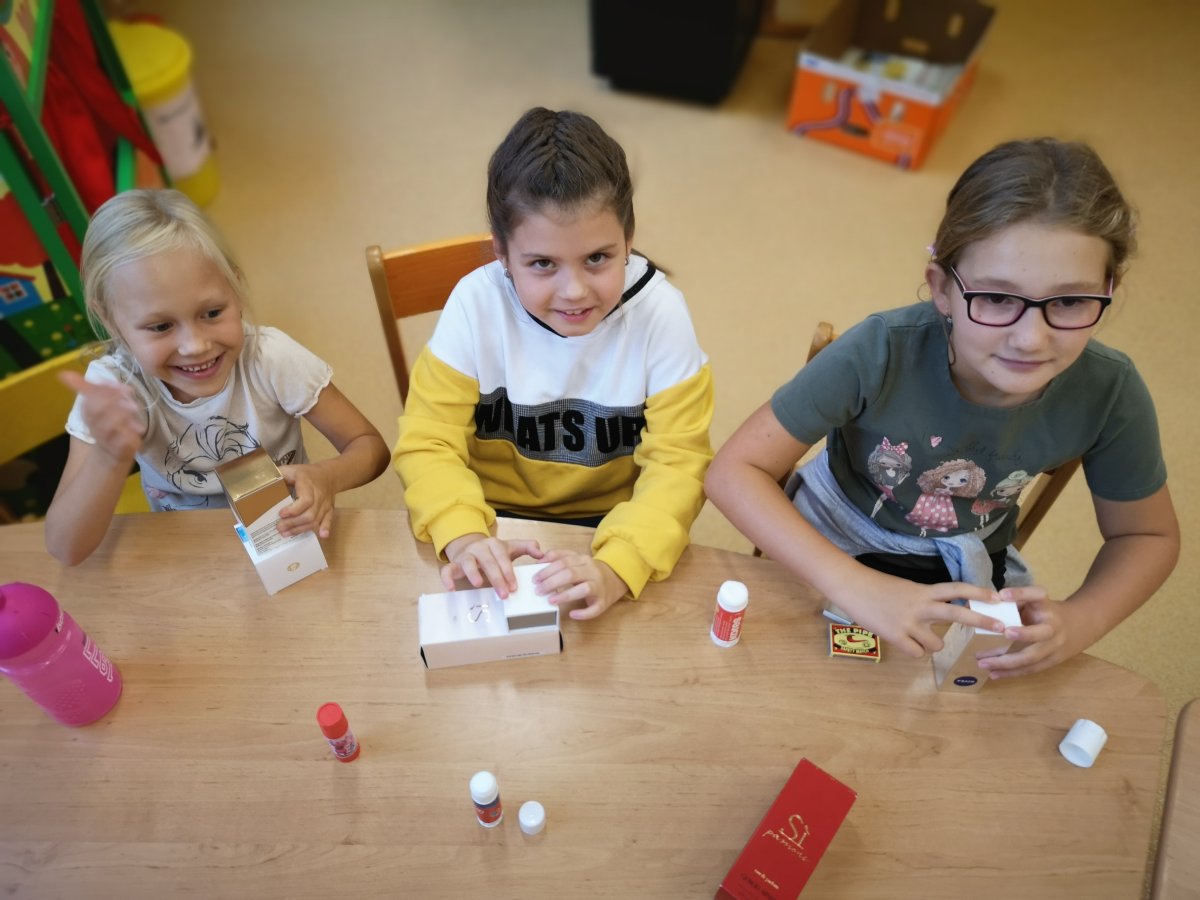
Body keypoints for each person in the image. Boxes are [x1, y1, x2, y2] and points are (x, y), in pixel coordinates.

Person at [705, 138, 1179, 678]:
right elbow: (733, 471)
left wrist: (1081, 620)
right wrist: (853, 584)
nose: (1030, 339)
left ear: (1109, 290)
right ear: (942, 290)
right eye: (996, 297)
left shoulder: (1111, 391)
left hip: (964, 557)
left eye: (1069, 301)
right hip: (832, 537)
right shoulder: (878, 351)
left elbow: (1148, 536)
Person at [393, 107, 713, 620]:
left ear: (629, 238)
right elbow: (428, 440)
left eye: (598, 258)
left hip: (613, 522)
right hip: (489, 516)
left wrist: (618, 566)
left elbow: (679, 465)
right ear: (501, 253)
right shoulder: (475, 304)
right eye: (543, 263)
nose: (575, 291)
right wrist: (464, 534)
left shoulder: (661, 313)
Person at [45, 189, 390, 565]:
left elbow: (370, 447)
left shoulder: (271, 358)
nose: (195, 346)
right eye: (161, 326)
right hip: (187, 556)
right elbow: (66, 548)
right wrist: (109, 457)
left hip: (287, 539)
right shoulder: (113, 388)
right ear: (110, 319)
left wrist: (327, 477)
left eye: (211, 313)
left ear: (235, 289)